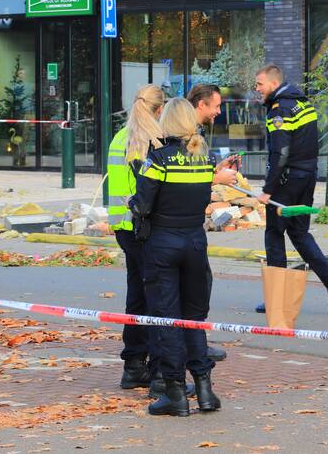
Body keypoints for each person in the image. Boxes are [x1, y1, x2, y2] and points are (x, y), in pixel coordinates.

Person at [129, 98, 237, 417]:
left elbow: (143, 204)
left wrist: (132, 204)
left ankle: (175, 394)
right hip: (194, 243)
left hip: (163, 244)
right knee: (194, 320)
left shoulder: (159, 159)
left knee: (168, 319)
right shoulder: (204, 159)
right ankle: (204, 389)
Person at [255, 64, 328, 311]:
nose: (257, 89)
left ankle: (277, 298)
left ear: (273, 84)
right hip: (306, 178)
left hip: (286, 182)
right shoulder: (302, 103)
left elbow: (280, 153)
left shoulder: (279, 110)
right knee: (300, 233)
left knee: (274, 234)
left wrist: (268, 190)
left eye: (260, 84)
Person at [109, 84, 165, 393]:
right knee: (156, 298)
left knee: (137, 294)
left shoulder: (120, 138)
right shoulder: (153, 141)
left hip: (124, 228)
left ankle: (133, 366)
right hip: (146, 228)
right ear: (159, 110)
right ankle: (158, 371)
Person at [186, 83, 229, 363]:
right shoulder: (186, 133)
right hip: (182, 226)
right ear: (201, 104)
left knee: (198, 283)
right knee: (198, 284)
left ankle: (195, 343)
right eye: (216, 105)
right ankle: (195, 348)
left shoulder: (193, 132)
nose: (218, 111)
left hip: (185, 225)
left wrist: (216, 170)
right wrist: (216, 178)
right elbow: (184, 175)